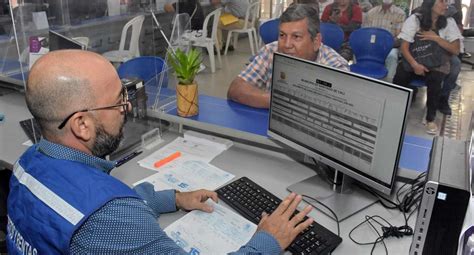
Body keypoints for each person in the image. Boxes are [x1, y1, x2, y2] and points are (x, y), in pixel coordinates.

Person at [7, 50, 315, 254]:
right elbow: (108, 219)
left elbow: (83, 208)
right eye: (117, 101)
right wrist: (268, 241)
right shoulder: (110, 217)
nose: (127, 107)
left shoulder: (27, 163)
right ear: (82, 125)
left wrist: (174, 199)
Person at [227, 4, 349, 108]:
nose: (286, 45)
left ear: (316, 41)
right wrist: (278, 101)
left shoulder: (336, 67)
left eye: (296, 37)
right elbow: (236, 89)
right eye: (282, 35)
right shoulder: (271, 50)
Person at [392, 0, 462, 134]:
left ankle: (430, 118)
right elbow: (404, 47)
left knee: (436, 79)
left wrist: (436, 38)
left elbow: (456, 49)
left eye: (446, 2)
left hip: (436, 61)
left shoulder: (449, 22)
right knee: (400, 75)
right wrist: (415, 65)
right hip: (415, 58)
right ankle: (396, 110)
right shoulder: (415, 19)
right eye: (442, 2)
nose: (446, 5)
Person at [363, 0, 406, 82]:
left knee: (392, 56)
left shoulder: (400, 14)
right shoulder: (371, 13)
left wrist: (385, 46)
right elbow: (366, 34)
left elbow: (399, 37)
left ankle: (387, 84)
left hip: (390, 46)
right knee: (357, 52)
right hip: (372, 45)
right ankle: (360, 81)